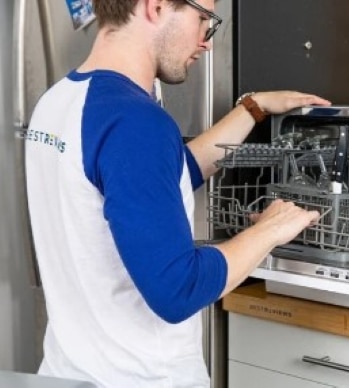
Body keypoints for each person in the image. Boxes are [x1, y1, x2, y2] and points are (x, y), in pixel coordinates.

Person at [24, 0, 330, 386]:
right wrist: (270, 229)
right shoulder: (135, 122)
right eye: (202, 17)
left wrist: (252, 109)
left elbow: (158, 180)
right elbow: (179, 289)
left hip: (67, 374)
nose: (207, 41)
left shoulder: (59, 101)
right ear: (155, 7)